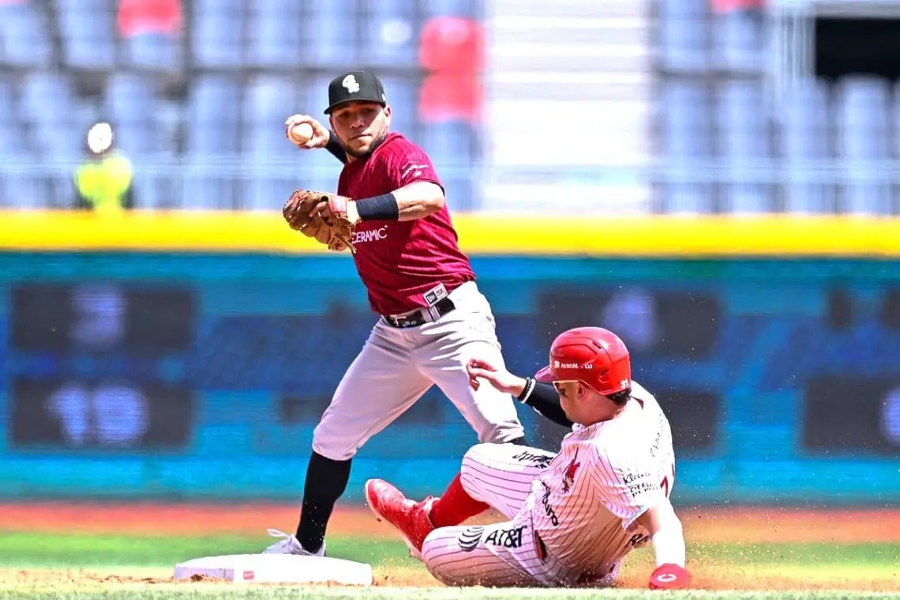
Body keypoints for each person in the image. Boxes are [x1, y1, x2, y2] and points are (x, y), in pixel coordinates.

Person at [263, 70, 526, 557]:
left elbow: (429, 197)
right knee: (333, 434)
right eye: (345, 115)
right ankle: (306, 546)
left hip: (450, 320)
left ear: (388, 113)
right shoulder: (353, 167)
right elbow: (359, 158)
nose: (357, 120)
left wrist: (359, 211)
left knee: (502, 435)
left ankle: (551, 539)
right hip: (393, 334)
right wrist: (326, 144)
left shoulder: (402, 153)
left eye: (367, 111)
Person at [364, 327, 692, 590]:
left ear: (583, 390)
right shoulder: (633, 397)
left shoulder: (611, 452)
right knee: (478, 460)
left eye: (563, 388)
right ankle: (424, 521)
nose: (560, 394)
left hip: (552, 554)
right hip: (579, 504)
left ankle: (434, 537)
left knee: (435, 549)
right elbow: (579, 412)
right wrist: (519, 386)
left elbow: (660, 516)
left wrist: (670, 569)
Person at [73, 122, 134, 214]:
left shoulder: (121, 164)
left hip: (120, 220)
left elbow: (129, 198)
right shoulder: (84, 168)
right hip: (90, 221)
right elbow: (81, 201)